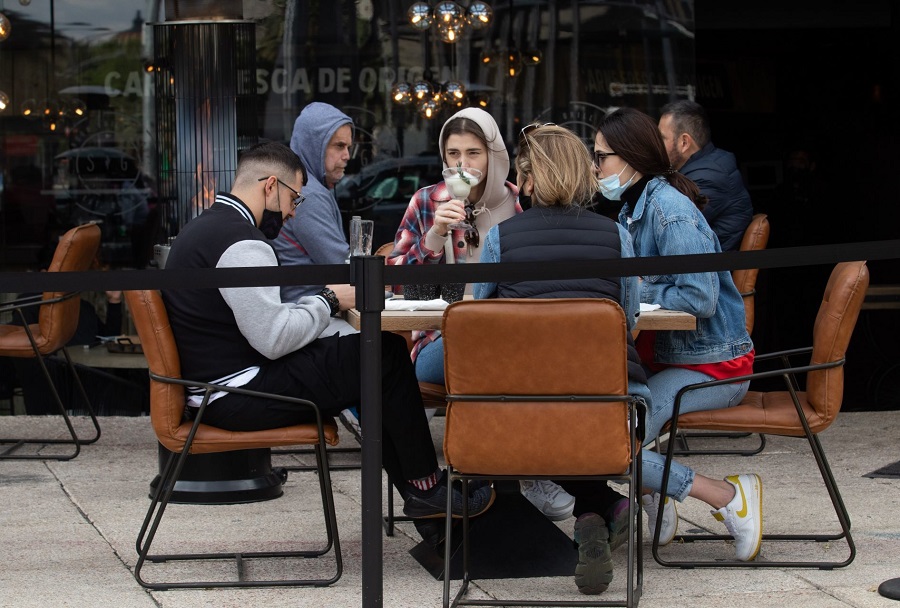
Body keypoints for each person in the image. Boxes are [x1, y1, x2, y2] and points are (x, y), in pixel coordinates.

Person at [161, 141, 495, 526]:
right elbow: (273, 339)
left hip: (220, 386)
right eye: (293, 201)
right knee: (382, 354)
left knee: (370, 359)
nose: (290, 214)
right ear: (271, 186)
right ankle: (426, 490)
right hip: (238, 394)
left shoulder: (205, 226)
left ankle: (425, 492)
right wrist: (329, 300)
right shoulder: (242, 244)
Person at [387, 109, 579, 520]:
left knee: (535, 361)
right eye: (452, 153)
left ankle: (515, 472)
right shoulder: (427, 201)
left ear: (493, 155)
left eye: (473, 153)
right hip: (440, 342)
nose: (461, 165)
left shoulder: (520, 202)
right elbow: (398, 287)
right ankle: (528, 471)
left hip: (514, 338)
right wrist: (435, 236)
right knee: (501, 362)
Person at [595, 108, 762, 562]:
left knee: (612, 437)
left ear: (630, 158)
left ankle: (727, 496)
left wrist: (634, 287)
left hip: (710, 366)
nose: (596, 170)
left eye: (602, 158)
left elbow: (699, 296)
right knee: (597, 420)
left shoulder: (669, 210)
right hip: (666, 361)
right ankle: (659, 496)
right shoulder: (636, 205)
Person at [272, 102, 354, 302]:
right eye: (339, 146)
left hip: (313, 310)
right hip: (310, 314)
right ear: (314, 145)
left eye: (349, 147)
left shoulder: (303, 185)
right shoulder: (308, 194)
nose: (347, 156)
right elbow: (343, 267)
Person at [658, 100, 752, 251]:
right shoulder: (709, 163)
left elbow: (669, 229)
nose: (657, 145)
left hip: (709, 270)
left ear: (684, 142)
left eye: (662, 138)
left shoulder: (708, 177)